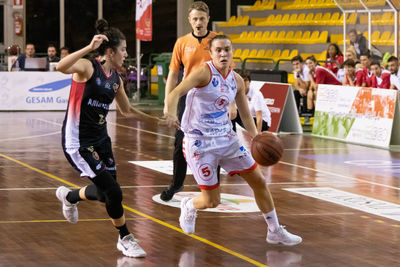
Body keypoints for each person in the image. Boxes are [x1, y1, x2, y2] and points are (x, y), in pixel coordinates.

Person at [164, 34, 302, 246]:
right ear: (211, 53)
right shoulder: (202, 73)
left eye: (227, 49)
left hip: (227, 139)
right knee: (212, 201)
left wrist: (257, 138)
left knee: (259, 181)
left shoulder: (236, 80)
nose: (223, 54)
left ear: (232, 52)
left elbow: (245, 116)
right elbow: (175, 93)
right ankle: (189, 205)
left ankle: (274, 230)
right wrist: (171, 112)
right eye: (218, 50)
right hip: (200, 143)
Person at [55, 19, 159, 258]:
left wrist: (159, 120)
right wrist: (89, 48)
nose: (126, 54)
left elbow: (127, 110)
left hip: (102, 141)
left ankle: (69, 196)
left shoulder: (116, 80)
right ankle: (125, 238)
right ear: (110, 52)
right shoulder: (87, 67)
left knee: (105, 193)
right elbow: (61, 66)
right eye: (123, 50)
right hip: (79, 143)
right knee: (114, 192)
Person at [160, 1, 220, 201]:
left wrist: (230, 102)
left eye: (202, 18)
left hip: (211, 97)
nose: (198, 22)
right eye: (195, 19)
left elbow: (227, 71)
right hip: (188, 97)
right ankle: (176, 184)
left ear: (208, 19)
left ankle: (213, 186)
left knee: (214, 141)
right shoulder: (182, 42)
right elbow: (173, 75)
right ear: (189, 20)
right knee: (180, 142)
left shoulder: (217, 41)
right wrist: (168, 105)